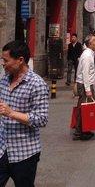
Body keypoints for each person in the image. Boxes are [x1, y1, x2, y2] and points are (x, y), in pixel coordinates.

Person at [0, 41, 49, 185]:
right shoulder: (4, 80)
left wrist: (11, 113)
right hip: (3, 149)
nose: (3, 64)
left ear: (20, 60)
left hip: (24, 153)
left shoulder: (37, 84)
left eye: (6, 60)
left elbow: (42, 119)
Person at [74, 35, 95, 141]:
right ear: (89, 43)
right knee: (83, 108)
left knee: (86, 108)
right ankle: (79, 132)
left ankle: (86, 129)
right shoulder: (87, 55)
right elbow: (85, 73)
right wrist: (88, 89)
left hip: (87, 84)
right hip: (85, 85)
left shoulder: (90, 53)